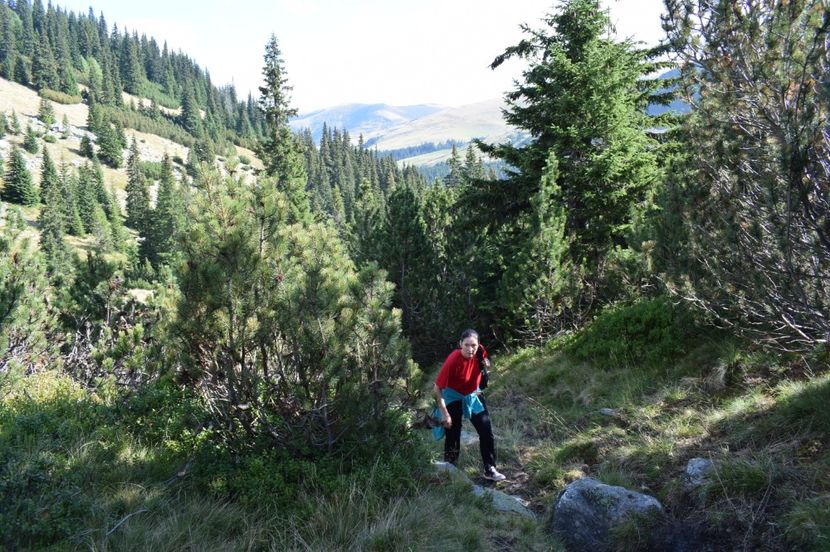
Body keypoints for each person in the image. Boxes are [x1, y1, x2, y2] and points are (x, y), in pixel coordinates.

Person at [434, 329, 506, 481]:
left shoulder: (480, 351)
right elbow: (437, 388)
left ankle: (490, 469)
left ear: (478, 345)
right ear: (460, 344)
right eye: (466, 345)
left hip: (472, 395)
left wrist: (488, 365)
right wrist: (445, 414)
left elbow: (486, 363)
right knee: (453, 433)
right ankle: (450, 470)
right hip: (452, 396)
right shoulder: (453, 360)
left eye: (473, 345)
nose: (470, 349)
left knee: (486, 430)